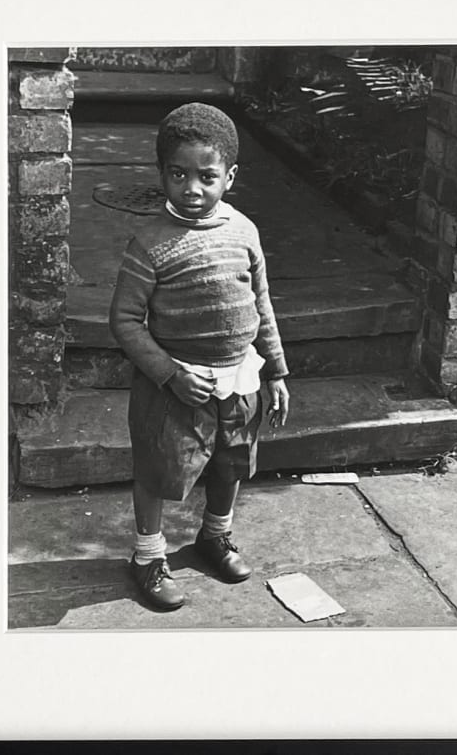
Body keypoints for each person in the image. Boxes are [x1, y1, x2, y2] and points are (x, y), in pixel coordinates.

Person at [109, 102, 290, 611]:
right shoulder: (149, 244)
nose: (193, 188)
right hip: (175, 386)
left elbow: (261, 303)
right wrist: (168, 374)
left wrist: (274, 370)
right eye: (179, 174)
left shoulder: (244, 232)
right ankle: (147, 556)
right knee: (159, 470)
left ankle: (215, 536)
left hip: (240, 379)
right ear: (162, 174)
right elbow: (124, 321)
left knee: (232, 462)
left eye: (207, 176)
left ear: (229, 176)